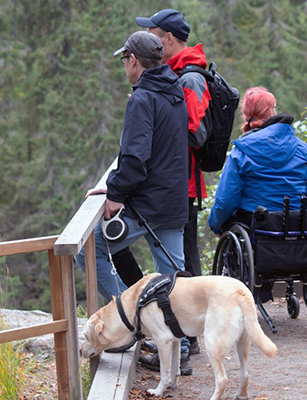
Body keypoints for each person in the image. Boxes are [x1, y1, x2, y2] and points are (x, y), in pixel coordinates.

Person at [74, 31, 188, 307]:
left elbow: (136, 159)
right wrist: (115, 183)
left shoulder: (142, 99)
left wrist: (115, 193)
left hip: (147, 205)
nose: (125, 65)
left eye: (125, 59)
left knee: (86, 251)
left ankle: (131, 314)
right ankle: (181, 341)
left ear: (133, 60)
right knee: (173, 278)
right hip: (173, 201)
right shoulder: (175, 94)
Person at [134, 8, 209, 372]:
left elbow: (195, 132)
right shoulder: (175, 75)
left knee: (184, 266)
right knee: (178, 264)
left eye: (152, 32)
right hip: (176, 182)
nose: (149, 37)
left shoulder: (188, 78)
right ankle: (179, 338)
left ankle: (184, 342)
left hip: (183, 184)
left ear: (166, 39)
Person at [208, 87, 307, 234]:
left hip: (255, 226)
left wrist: (215, 224)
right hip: (296, 226)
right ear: (272, 112)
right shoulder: (302, 148)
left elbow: (226, 200)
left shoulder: (241, 151)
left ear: (246, 115)